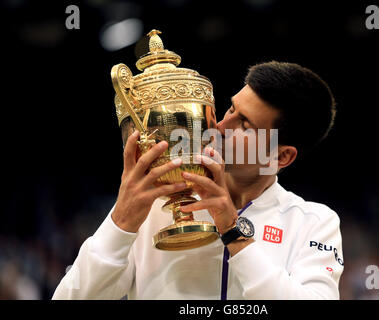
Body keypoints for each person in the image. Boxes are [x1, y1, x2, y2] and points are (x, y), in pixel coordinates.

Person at [52, 61, 343, 300]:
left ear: (281, 157)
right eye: (230, 109)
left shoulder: (314, 223)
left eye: (245, 125)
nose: (219, 126)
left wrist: (233, 232)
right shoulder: (157, 203)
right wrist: (121, 223)